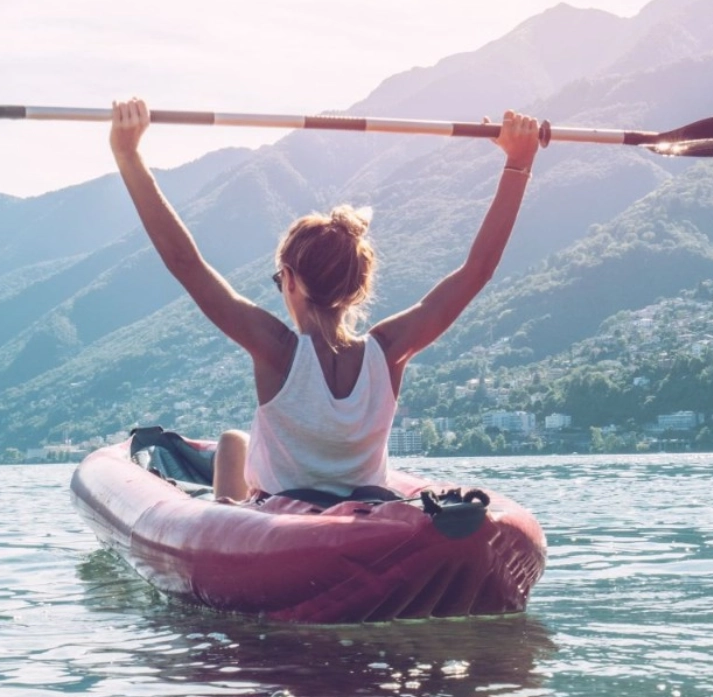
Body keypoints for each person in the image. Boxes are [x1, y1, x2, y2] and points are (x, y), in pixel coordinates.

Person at [109, 98, 540, 502]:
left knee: (230, 442)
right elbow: (478, 268)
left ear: (291, 280)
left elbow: (186, 262)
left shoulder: (277, 351)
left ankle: (217, 526)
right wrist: (518, 163)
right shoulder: (388, 351)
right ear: (359, 285)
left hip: (279, 531)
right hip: (366, 517)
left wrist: (128, 155)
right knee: (233, 443)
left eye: (279, 278)